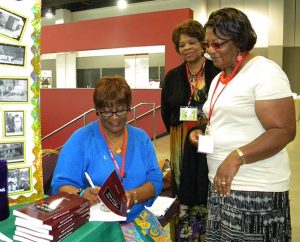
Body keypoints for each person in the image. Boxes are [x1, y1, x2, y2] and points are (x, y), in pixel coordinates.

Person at [189, 7, 296, 241]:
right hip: (221, 184)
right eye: (207, 45)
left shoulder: (264, 72)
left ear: (238, 42)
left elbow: (284, 130)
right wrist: (200, 131)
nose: (209, 52)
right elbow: (224, 118)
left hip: (255, 188)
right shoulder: (220, 77)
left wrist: (237, 156)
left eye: (217, 44)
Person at [51, 76, 171, 241]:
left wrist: (134, 195)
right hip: (97, 227)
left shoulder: (141, 138)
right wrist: (82, 192)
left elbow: (156, 180)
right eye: (107, 111)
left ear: (129, 107)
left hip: (138, 218)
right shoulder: (81, 139)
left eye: (121, 110)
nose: (115, 117)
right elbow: (60, 185)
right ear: (97, 110)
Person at [161, 19, 220, 241]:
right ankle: (186, 233)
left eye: (192, 42)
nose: (187, 48)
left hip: (210, 138)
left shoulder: (217, 70)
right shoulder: (172, 76)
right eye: (182, 44)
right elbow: (166, 110)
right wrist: (181, 133)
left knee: (208, 180)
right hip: (180, 142)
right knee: (183, 183)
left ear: (203, 44)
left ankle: (209, 233)